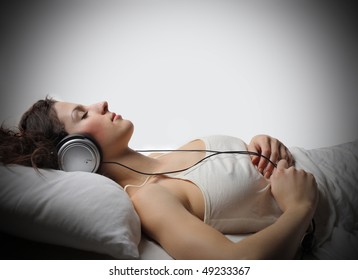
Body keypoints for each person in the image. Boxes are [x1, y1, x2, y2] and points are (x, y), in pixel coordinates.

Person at [0, 97, 356, 259]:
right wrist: (300, 207)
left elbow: (231, 176)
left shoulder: (164, 154)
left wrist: (261, 144)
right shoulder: (149, 198)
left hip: (340, 162)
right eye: (82, 113)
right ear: (77, 153)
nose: (101, 104)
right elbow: (234, 267)